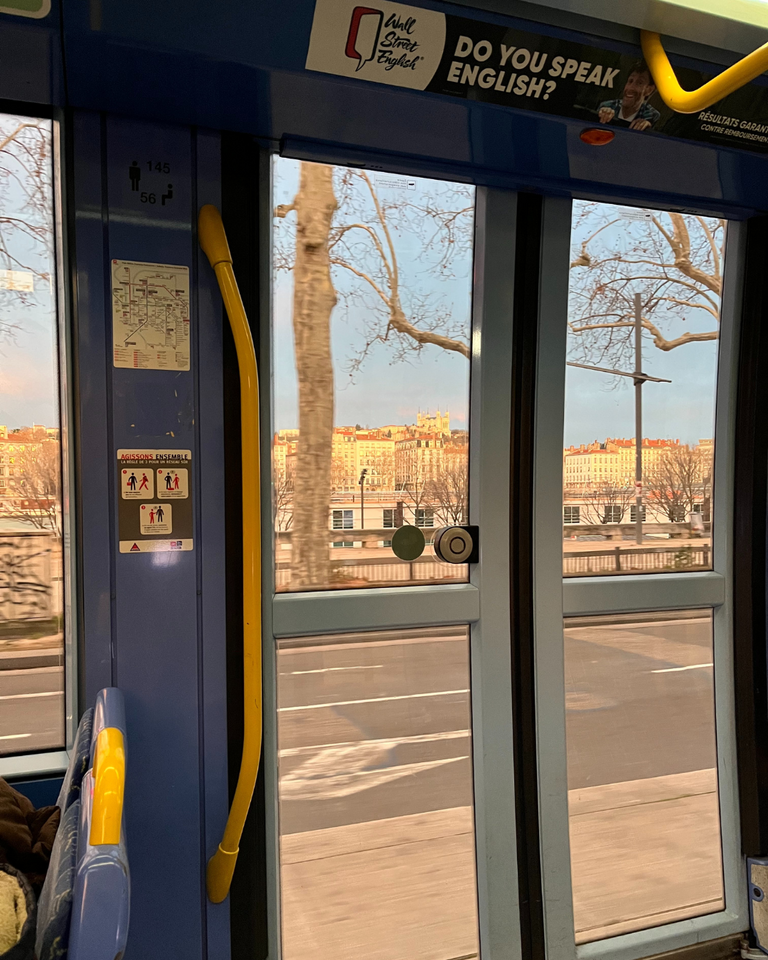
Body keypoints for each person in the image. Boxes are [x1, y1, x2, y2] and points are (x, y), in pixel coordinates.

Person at [598, 60, 660, 131]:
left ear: (649, 90)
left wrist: (647, 128)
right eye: (630, 81)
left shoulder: (652, 115)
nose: (630, 88)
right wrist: (602, 115)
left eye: (639, 83)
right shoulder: (607, 105)